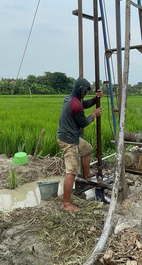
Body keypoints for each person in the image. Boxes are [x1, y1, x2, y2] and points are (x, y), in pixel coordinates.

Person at [57, 77, 102, 211]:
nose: (85, 95)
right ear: (80, 89)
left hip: (73, 137)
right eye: (85, 92)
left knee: (87, 148)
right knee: (71, 171)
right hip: (68, 141)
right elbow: (83, 123)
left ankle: (87, 174)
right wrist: (94, 115)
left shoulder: (70, 99)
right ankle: (66, 203)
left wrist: (95, 99)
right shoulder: (74, 104)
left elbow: (84, 104)